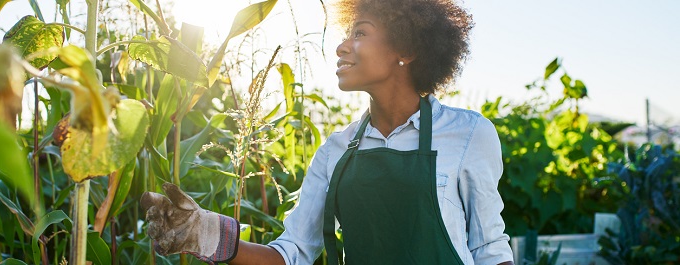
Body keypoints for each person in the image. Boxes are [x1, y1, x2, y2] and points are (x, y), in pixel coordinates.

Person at [140, 0, 515, 264]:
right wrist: (207, 232)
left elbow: (490, 250)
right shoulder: (335, 151)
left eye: (360, 33)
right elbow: (292, 254)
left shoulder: (468, 135)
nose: (341, 45)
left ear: (407, 48)